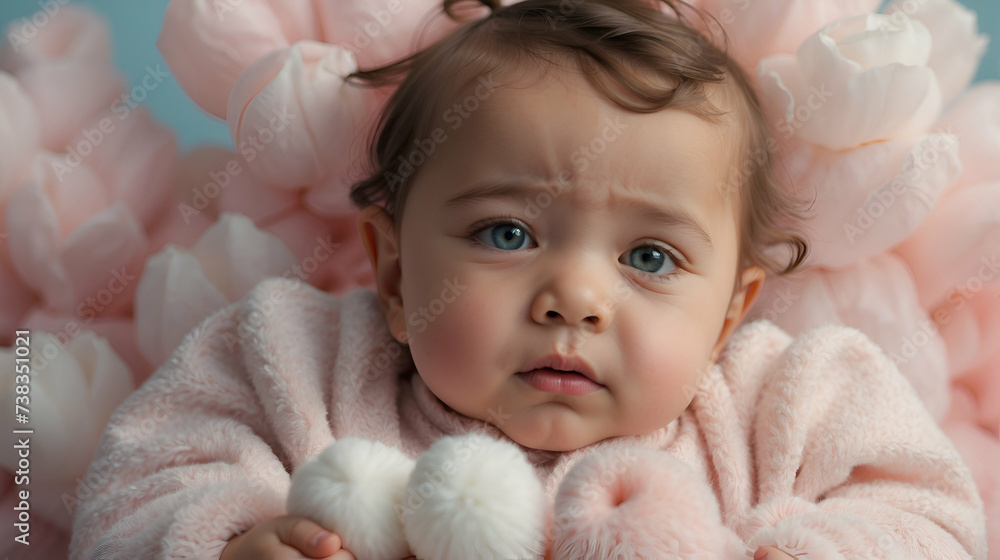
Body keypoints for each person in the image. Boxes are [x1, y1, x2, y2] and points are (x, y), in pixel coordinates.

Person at [70, 0, 987, 559]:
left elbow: (932, 521)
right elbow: (130, 487)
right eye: (506, 232)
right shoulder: (298, 361)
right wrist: (227, 542)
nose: (574, 299)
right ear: (394, 271)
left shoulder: (786, 402)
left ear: (730, 312)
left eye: (650, 259)